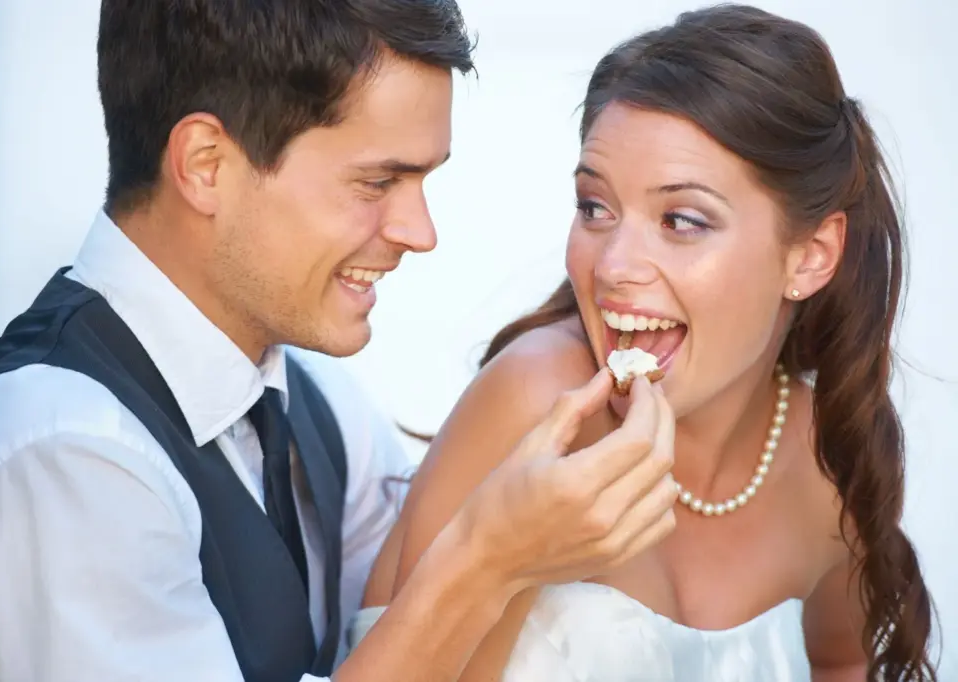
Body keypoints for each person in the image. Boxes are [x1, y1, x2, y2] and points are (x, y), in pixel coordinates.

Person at [0, 1, 683, 682]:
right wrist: (489, 558)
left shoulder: (314, 407)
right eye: (376, 183)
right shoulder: (59, 448)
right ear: (206, 165)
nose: (419, 233)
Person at [351, 5, 938, 681]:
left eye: (682, 220)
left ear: (810, 256)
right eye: (595, 208)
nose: (612, 267)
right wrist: (503, 558)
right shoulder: (533, 408)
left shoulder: (820, 457)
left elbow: (843, 661)